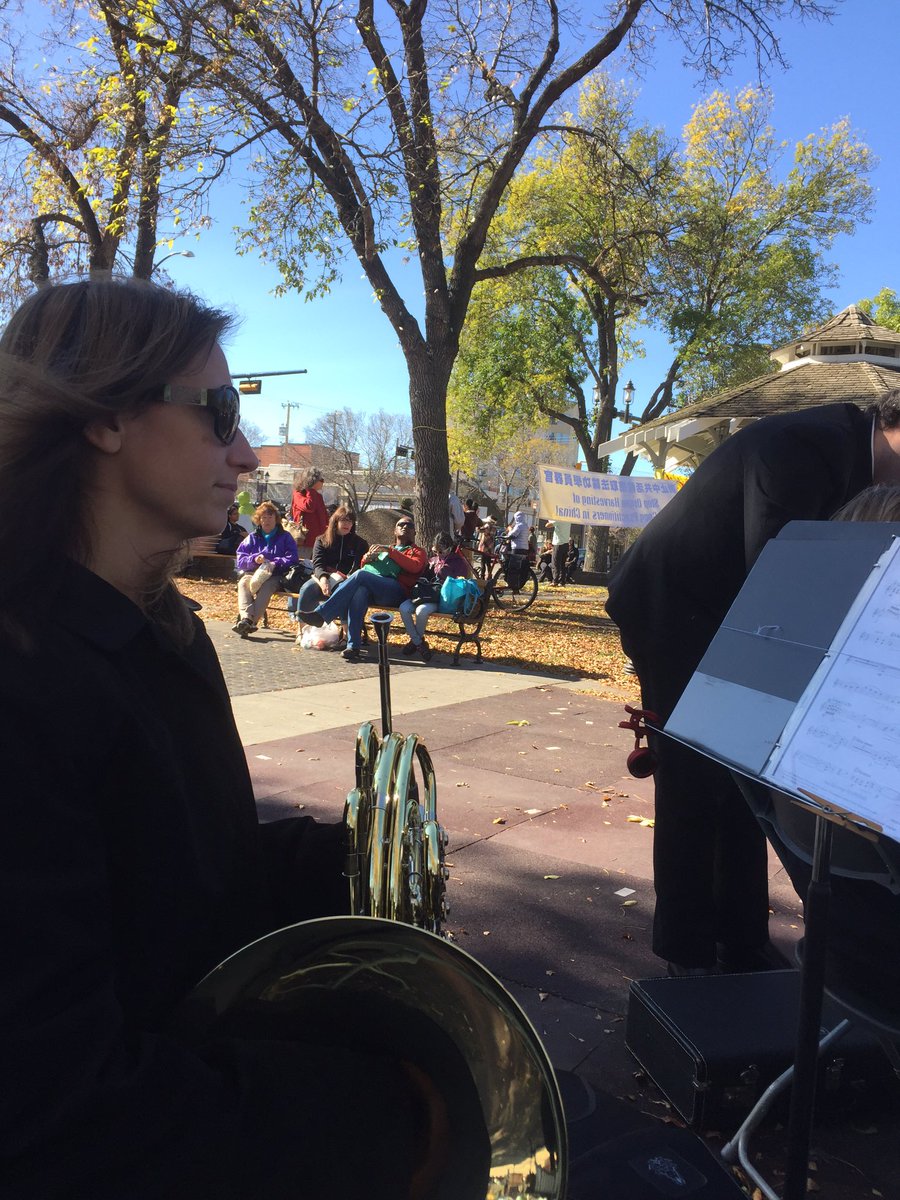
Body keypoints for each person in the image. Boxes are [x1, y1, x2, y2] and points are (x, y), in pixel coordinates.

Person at [0, 278, 475, 1200]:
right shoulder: (24, 675)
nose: (248, 451)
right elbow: (54, 1114)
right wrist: (389, 1118)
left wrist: (339, 863)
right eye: (218, 412)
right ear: (104, 417)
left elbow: (162, 887)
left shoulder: (159, 626)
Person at [606, 398, 900, 977]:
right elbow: (780, 580)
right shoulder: (804, 448)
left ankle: (741, 940)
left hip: (720, 608)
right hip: (675, 611)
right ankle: (685, 948)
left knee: (746, 779)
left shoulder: (845, 452)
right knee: (694, 778)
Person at [300, 514, 426, 662]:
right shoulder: (385, 548)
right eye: (401, 525)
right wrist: (367, 558)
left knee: (361, 575)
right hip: (375, 588)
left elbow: (414, 566)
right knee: (359, 592)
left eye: (409, 526)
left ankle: (322, 614)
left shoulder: (417, 551)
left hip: (397, 591)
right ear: (394, 531)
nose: (405, 527)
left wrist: (391, 552)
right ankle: (353, 646)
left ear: (415, 533)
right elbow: (367, 568)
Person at [291, 505, 369, 627]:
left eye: (350, 521)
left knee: (344, 590)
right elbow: (317, 563)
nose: (347, 524)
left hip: (347, 580)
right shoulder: (322, 540)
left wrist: (347, 578)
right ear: (335, 521)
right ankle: (302, 630)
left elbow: (360, 567)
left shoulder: (360, 543)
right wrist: (323, 578)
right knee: (307, 588)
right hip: (323, 577)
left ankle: (345, 634)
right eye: (343, 520)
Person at [399, 532, 472, 661]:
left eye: (441, 551)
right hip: (424, 595)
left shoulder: (458, 562)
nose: (438, 554)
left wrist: (447, 576)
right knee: (404, 608)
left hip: (442, 599)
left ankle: (415, 643)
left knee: (421, 611)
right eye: (435, 551)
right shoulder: (433, 561)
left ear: (450, 548)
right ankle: (418, 643)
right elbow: (422, 578)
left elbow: (461, 585)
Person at [233, 499, 299, 637]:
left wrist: (275, 562)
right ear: (259, 520)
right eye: (264, 517)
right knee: (244, 582)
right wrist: (254, 559)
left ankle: (250, 622)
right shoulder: (252, 537)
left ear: (276, 519)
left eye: (270, 517)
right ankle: (246, 618)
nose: (267, 520)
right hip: (254, 573)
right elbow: (241, 558)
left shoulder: (285, 537)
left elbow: (292, 558)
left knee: (266, 587)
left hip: (276, 575)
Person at [290, 466, 329, 553]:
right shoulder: (298, 495)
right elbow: (309, 507)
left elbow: (325, 518)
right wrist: (311, 489)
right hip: (305, 541)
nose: (323, 482)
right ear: (313, 481)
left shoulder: (318, 496)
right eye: (321, 480)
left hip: (320, 541)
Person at [550, 518, 572, 586]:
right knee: (563, 564)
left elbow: (548, 525)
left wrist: (549, 519)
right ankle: (562, 581)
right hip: (565, 544)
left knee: (555, 563)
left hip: (558, 543)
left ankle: (555, 580)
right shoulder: (568, 520)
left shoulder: (558, 519)